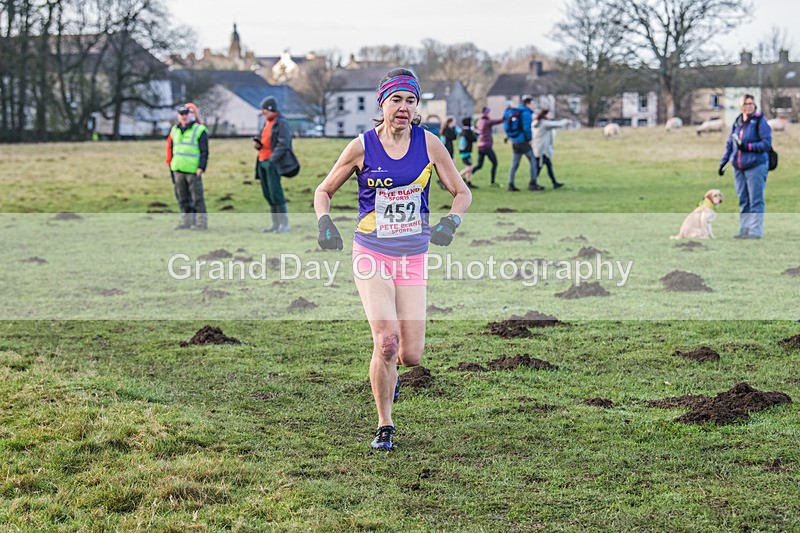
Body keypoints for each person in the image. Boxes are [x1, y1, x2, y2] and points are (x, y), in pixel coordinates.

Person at [313, 68, 471, 450]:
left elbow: (462, 192)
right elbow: (323, 190)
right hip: (371, 252)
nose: (403, 107)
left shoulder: (429, 143)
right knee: (386, 342)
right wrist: (325, 224)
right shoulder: (362, 146)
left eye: (411, 100)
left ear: (417, 106)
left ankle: (391, 375)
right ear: (382, 103)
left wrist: (450, 222)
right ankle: (385, 424)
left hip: (412, 255)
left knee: (410, 355)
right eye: (396, 99)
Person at [718, 93, 772, 239]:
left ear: (754, 105)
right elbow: (730, 145)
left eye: (750, 104)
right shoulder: (737, 123)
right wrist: (723, 163)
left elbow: (766, 143)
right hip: (739, 167)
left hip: (756, 165)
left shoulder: (760, 122)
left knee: (755, 200)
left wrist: (748, 147)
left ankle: (755, 231)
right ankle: (744, 229)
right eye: (745, 104)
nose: (748, 107)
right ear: (740, 106)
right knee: (743, 200)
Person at [253, 96, 298, 233]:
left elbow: (283, 143)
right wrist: (258, 144)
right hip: (262, 161)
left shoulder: (282, 124)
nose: (263, 112)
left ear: (271, 109)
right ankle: (275, 224)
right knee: (268, 193)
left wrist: (272, 159)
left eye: (265, 110)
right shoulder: (266, 123)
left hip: (273, 163)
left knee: (276, 193)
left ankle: (284, 224)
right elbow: (265, 140)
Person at [168, 104, 208, 230]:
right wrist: (171, 165)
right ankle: (186, 222)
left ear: (192, 115)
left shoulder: (199, 130)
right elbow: (171, 149)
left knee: (197, 198)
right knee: (182, 198)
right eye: (181, 114)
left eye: (186, 114)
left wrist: (201, 167)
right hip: (178, 168)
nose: (184, 117)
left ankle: (201, 223)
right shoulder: (174, 130)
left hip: (193, 170)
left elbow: (204, 151)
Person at [507, 96, 543, 192]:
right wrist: (529, 139)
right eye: (532, 103)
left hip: (515, 141)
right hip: (523, 142)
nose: (533, 105)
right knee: (533, 161)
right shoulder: (526, 113)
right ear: (528, 104)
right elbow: (527, 128)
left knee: (514, 164)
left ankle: (511, 184)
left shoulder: (518, 111)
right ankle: (533, 184)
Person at [532, 108, 567, 189]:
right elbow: (557, 124)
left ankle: (554, 183)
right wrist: (566, 121)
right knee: (539, 167)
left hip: (542, 149)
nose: (551, 115)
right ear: (545, 115)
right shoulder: (544, 123)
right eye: (549, 114)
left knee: (548, 166)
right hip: (541, 150)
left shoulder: (539, 122)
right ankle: (533, 183)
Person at [472, 107, 504, 187]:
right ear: (487, 113)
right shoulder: (486, 121)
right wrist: (506, 117)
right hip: (486, 146)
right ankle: (492, 182)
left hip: (480, 146)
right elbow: (497, 121)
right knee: (495, 163)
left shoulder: (479, 121)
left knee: (479, 165)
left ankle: (467, 176)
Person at [457, 117, 478, 189]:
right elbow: (474, 139)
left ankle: (468, 182)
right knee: (469, 167)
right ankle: (457, 177)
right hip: (466, 152)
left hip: (463, 151)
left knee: (468, 167)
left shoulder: (462, 131)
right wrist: (476, 133)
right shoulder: (468, 131)